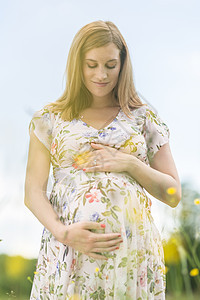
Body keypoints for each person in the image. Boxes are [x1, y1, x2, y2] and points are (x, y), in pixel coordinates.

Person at [24, 20, 181, 300]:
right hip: (69, 249)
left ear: (123, 64)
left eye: (110, 65)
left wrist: (131, 164)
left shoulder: (143, 118)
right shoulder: (49, 119)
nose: (101, 74)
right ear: (77, 65)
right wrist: (64, 233)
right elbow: (33, 192)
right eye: (91, 64)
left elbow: (173, 194)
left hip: (131, 254)